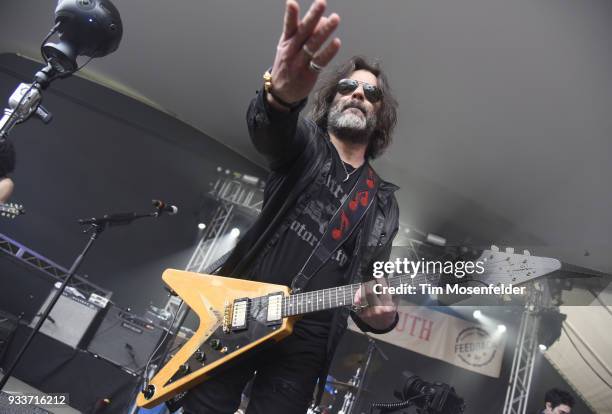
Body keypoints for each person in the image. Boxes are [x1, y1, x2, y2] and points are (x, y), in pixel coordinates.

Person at [181, 0, 400, 412]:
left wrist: (383, 318)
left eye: (371, 92)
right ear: (332, 98)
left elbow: (370, 285)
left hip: (310, 334)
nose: (357, 94)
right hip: (244, 308)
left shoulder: (382, 203)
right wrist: (279, 98)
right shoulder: (306, 148)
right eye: (348, 87)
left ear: (380, 113)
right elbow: (271, 132)